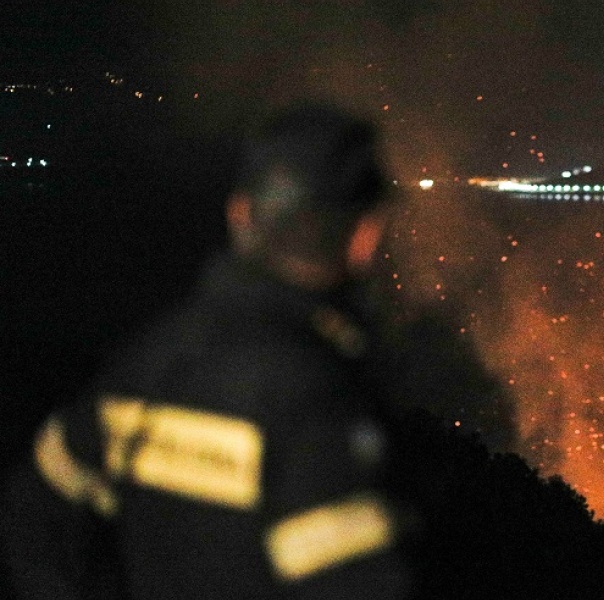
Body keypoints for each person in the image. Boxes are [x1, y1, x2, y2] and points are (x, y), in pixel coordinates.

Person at [2, 103, 414, 599]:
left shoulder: (147, 361)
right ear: (364, 238)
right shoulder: (317, 401)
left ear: (239, 214)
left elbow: (33, 509)